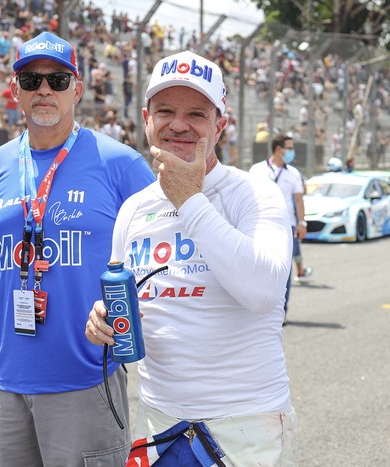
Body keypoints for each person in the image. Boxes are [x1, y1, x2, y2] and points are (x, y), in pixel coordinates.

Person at [86, 50, 297, 465]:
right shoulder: (132, 209)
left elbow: (265, 292)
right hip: (159, 419)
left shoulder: (253, 193)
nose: (178, 124)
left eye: (196, 114)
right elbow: (126, 298)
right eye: (165, 110)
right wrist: (101, 320)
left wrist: (189, 199)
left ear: (220, 125)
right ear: (147, 118)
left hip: (246, 422)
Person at [0, 31, 155, 466]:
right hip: (9, 380)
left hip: (86, 377)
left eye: (57, 80)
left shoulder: (120, 163)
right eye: (31, 79)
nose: (44, 90)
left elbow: (158, 257)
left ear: (77, 89)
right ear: (14, 89)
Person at [250, 134, 310, 319]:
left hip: (287, 227)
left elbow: (299, 200)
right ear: (278, 149)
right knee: (257, 267)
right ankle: (255, 308)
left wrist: (301, 223)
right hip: (260, 224)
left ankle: (280, 313)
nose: (292, 152)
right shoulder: (257, 170)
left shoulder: (293, 173)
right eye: (289, 148)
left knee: (284, 271)